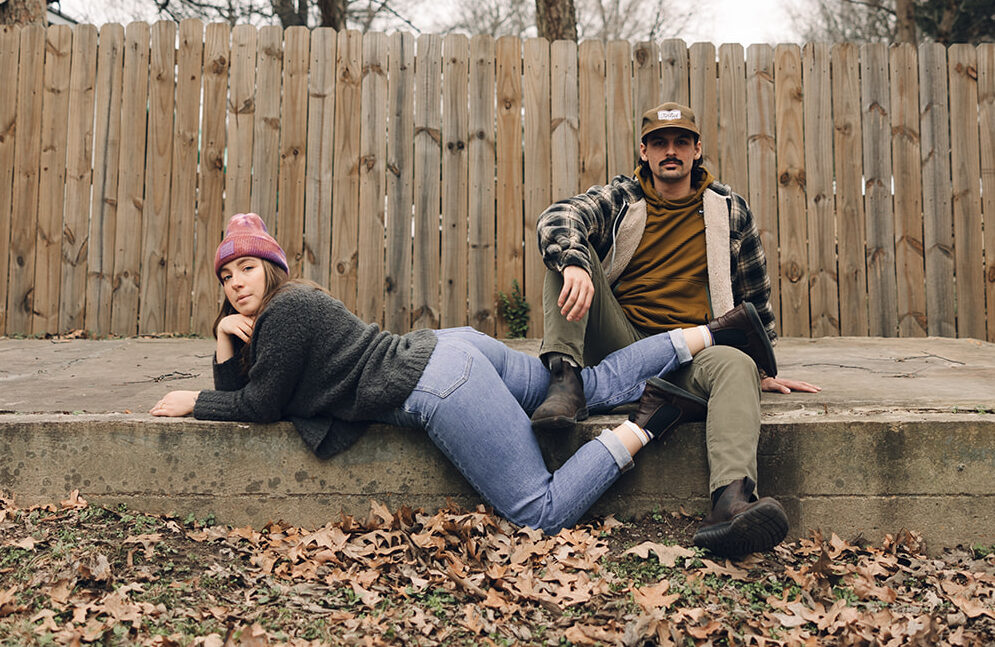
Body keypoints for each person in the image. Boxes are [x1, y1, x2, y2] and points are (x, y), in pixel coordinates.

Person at [151, 213, 781, 538]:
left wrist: (193, 401)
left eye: (247, 269)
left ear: (272, 269)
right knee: (585, 387)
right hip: (451, 349)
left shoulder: (286, 313)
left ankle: (651, 420)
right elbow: (249, 391)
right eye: (226, 276)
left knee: (540, 512)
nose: (236, 284)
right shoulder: (284, 310)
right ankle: (719, 331)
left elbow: (258, 405)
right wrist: (224, 341)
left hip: (438, 382)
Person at [532, 102, 821, 556]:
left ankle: (730, 503)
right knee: (568, 256)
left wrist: (762, 367)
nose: (671, 151)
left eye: (681, 142)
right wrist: (573, 261)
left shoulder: (728, 210)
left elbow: (753, 295)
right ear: (643, 151)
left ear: (697, 149)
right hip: (624, 345)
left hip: (693, 352)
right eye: (660, 143)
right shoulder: (622, 199)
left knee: (736, 364)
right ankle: (566, 381)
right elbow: (559, 216)